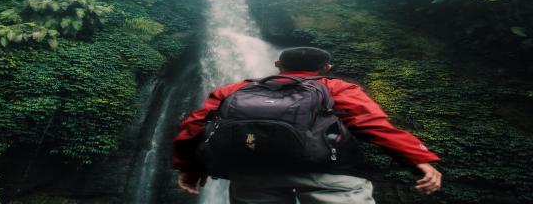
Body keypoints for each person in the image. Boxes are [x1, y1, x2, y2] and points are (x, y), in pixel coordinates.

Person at [173, 47, 442, 203]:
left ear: (277, 64)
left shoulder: (236, 89)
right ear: (326, 67)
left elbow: (195, 126)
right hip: (327, 173)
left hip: (251, 173)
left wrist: (191, 167)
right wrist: (418, 159)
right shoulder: (336, 87)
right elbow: (371, 124)